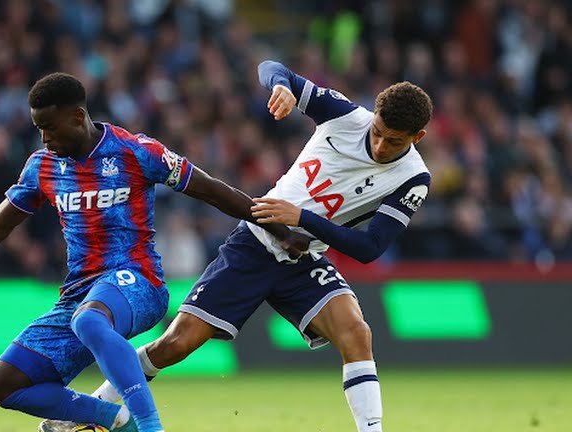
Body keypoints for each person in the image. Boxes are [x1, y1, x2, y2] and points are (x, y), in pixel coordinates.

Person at [0, 72, 308, 432]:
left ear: (78, 116)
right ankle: (114, 418)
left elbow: (214, 191)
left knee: (90, 318)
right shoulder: (42, 167)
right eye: (38, 129)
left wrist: (276, 228)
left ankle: (150, 427)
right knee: (3, 384)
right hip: (80, 296)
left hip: (139, 281)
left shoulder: (137, 151)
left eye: (49, 128)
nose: (44, 138)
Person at [92, 60, 433, 432]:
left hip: (304, 257)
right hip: (254, 242)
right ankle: (94, 407)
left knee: (357, 332)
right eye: (378, 132)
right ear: (374, 116)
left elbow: (370, 247)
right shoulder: (346, 116)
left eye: (394, 141)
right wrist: (281, 87)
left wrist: (301, 218)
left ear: (418, 137)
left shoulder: (413, 178)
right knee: (176, 343)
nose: (381, 145)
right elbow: (271, 66)